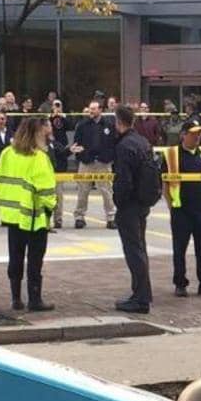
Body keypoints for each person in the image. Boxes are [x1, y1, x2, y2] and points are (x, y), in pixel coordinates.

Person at [0, 116, 58, 312]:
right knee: (35, 259)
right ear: (35, 134)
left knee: (15, 256)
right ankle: (35, 299)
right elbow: (47, 190)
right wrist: (50, 207)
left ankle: (15, 299)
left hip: (13, 216)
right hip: (35, 217)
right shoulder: (39, 158)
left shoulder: (7, 153)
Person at [111, 106, 159, 314]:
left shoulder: (124, 146)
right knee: (140, 248)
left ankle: (141, 298)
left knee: (134, 251)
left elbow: (123, 181)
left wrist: (119, 201)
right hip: (143, 203)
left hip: (129, 204)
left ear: (119, 122)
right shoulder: (143, 142)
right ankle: (141, 293)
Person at [165, 119, 201, 298]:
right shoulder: (172, 154)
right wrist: (171, 206)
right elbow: (164, 183)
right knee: (179, 249)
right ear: (183, 135)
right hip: (181, 210)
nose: (197, 137)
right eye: (194, 133)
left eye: (200, 134)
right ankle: (180, 284)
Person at [71, 99, 117, 229]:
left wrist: (108, 158)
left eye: (94, 109)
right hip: (86, 163)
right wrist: (82, 157)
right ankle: (79, 217)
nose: (91, 111)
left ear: (100, 110)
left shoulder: (109, 125)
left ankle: (111, 217)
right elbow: (76, 144)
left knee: (107, 191)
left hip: (103, 163)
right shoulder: (82, 125)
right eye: (90, 109)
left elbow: (114, 144)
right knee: (82, 191)